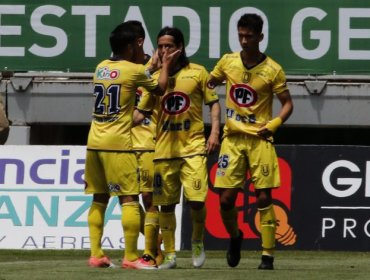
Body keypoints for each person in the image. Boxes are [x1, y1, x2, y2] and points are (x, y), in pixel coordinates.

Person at [84, 21, 178, 269]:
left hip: (94, 142)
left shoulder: (100, 67)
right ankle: (131, 257)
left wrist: (149, 68)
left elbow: (128, 79)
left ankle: (96, 254)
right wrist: (165, 66)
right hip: (118, 143)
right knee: (129, 199)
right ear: (131, 45)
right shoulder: (133, 69)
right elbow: (159, 88)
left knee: (99, 198)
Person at [207, 13, 293, 270]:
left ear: (260, 37)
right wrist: (209, 83)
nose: (244, 41)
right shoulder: (228, 62)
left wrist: (275, 124)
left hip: (259, 140)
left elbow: (287, 104)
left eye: (250, 36)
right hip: (232, 139)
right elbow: (211, 82)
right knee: (225, 201)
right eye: (241, 35)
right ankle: (236, 236)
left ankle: (267, 255)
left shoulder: (273, 70)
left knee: (264, 197)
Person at [137, 26, 221, 269]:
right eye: (160, 46)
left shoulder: (198, 72)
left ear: (179, 48)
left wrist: (214, 132)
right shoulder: (153, 80)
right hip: (164, 151)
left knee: (196, 201)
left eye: (169, 46)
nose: (164, 50)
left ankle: (197, 240)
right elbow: (140, 113)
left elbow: (213, 104)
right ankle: (171, 255)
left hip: (193, 147)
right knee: (166, 205)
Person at [127, 20, 163, 268]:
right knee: (127, 199)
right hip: (123, 143)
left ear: (139, 42)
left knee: (149, 198)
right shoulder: (119, 68)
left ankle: (152, 250)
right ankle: (154, 243)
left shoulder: (159, 69)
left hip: (149, 141)